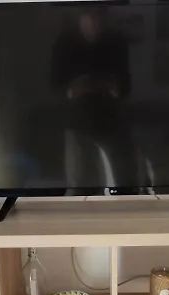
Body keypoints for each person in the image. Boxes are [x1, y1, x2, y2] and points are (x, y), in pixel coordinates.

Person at [51, 9, 138, 191]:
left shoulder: (116, 42)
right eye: (89, 20)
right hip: (77, 122)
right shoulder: (64, 43)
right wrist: (73, 89)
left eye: (99, 20)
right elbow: (55, 84)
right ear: (79, 19)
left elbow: (126, 84)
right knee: (77, 183)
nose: (94, 26)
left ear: (105, 20)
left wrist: (116, 88)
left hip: (110, 120)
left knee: (120, 182)